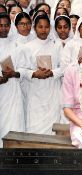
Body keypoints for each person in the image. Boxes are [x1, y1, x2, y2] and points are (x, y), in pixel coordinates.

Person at [17, 14, 62, 134]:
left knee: (52, 127)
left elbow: (63, 68)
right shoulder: (27, 47)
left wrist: (52, 72)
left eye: (46, 27)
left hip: (52, 92)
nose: (43, 30)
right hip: (35, 93)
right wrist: (34, 73)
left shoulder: (56, 46)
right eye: (40, 27)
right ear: (34, 28)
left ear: (50, 28)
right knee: (34, 127)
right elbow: (21, 70)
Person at [0, 12, 25, 147]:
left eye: (6, 25)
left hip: (12, 90)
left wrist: (14, 73)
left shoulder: (16, 44)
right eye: (0, 25)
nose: (3, 28)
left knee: (13, 122)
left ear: (11, 27)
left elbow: (23, 68)